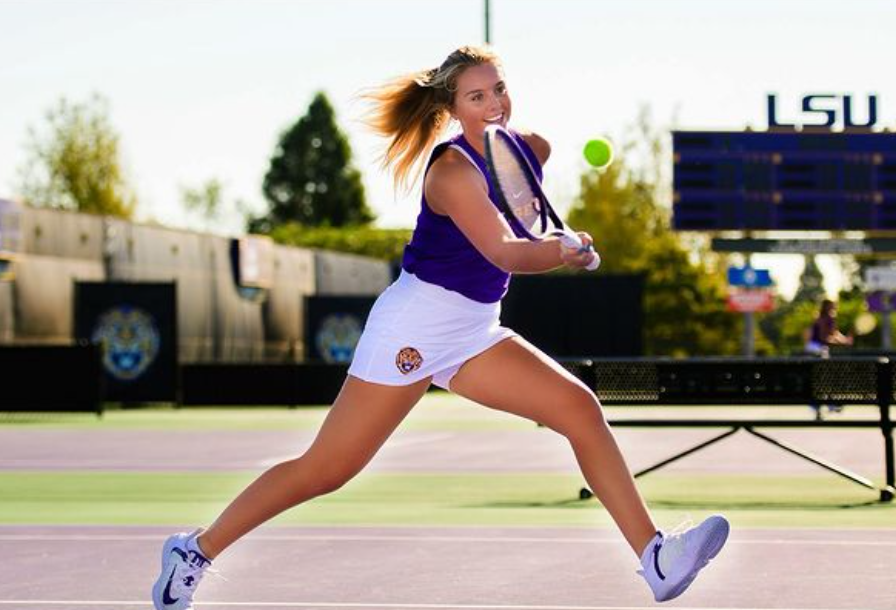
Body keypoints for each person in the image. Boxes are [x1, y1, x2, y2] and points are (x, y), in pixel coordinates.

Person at [151, 45, 729, 610]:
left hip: (476, 326)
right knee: (326, 470)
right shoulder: (451, 172)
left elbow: (531, 195)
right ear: (452, 109)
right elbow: (505, 251)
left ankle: (654, 558)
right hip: (417, 323)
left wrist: (559, 235)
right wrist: (561, 253)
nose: (494, 103)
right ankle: (193, 551)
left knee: (579, 409)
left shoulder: (527, 149)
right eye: (476, 96)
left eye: (498, 88)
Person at [803, 299, 854, 417]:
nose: (834, 307)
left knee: (819, 378)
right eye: (833, 306)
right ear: (828, 307)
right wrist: (843, 342)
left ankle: (821, 406)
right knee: (824, 378)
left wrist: (844, 340)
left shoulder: (820, 318)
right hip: (817, 350)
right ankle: (829, 405)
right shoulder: (828, 318)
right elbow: (825, 338)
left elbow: (834, 334)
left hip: (811, 349)